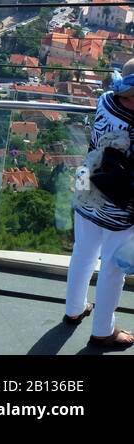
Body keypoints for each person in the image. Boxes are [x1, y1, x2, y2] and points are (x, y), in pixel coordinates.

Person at [65, 58, 134, 348]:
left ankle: (74, 309)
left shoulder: (104, 101)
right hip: (118, 205)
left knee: (82, 254)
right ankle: (103, 330)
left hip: (86, 187)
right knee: (113, 268)